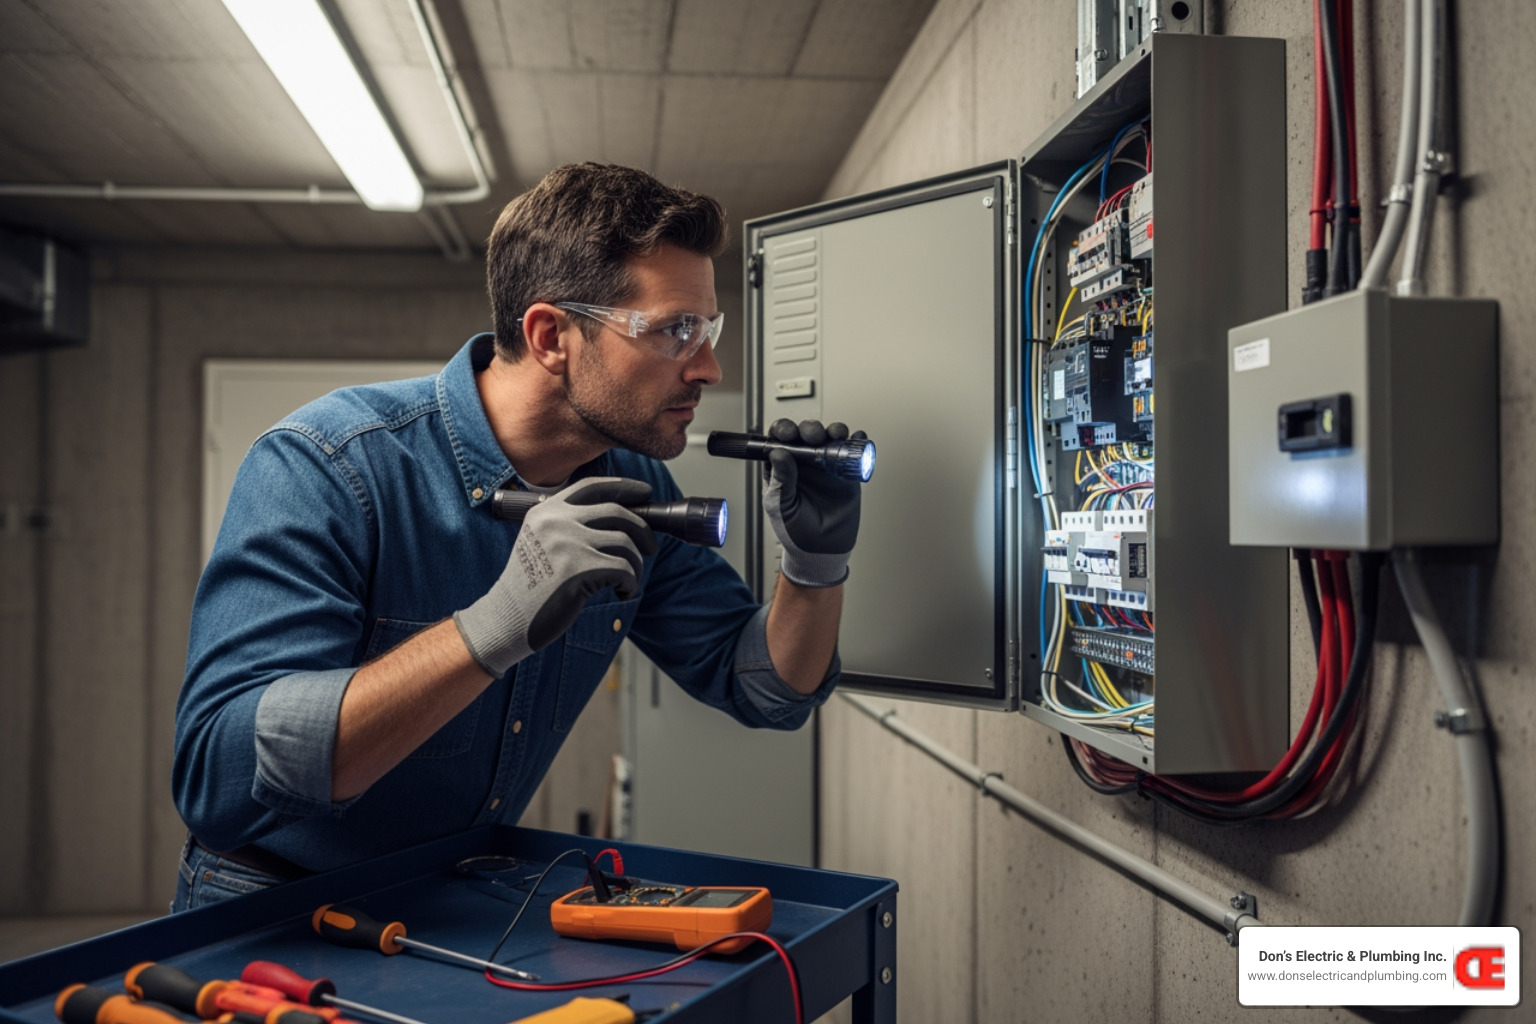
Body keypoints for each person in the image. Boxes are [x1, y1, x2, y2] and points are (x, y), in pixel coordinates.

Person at [170, 163, 862, 910]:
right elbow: (218, 777)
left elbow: (763, 688)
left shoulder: (633, 485)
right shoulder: (330, 465)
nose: (708, 367)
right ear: (550, 336)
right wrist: (491, 628)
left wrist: (815, 566)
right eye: (674, 331)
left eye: (706, 328)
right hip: (271, 907)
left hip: (457, 896)